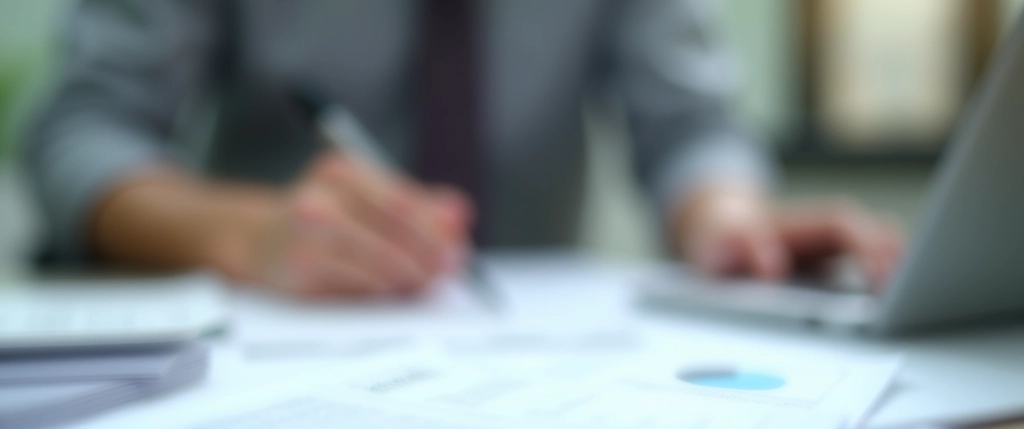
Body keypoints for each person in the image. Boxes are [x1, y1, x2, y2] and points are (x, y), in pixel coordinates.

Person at [25, 0, 901, 299]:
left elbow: (689, 122)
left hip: (531, 359)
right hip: (266, 335)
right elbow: (79, 129)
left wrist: (733, 223)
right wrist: (243, 233)